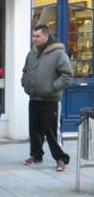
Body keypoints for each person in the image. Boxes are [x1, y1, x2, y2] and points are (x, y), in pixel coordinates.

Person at [21, 24, 73, 171]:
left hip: (51, 100)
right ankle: (36, 156)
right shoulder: (32, 54)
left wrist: (52, 87)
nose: (34, 39)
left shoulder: (58, 54)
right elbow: (25, 71)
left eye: (37, 36)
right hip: (34, 98)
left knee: (52, 131)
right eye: (33, 36)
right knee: (34, 129)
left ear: (46, 36)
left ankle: (61, 159)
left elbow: (68, 75)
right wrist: (25, 84)